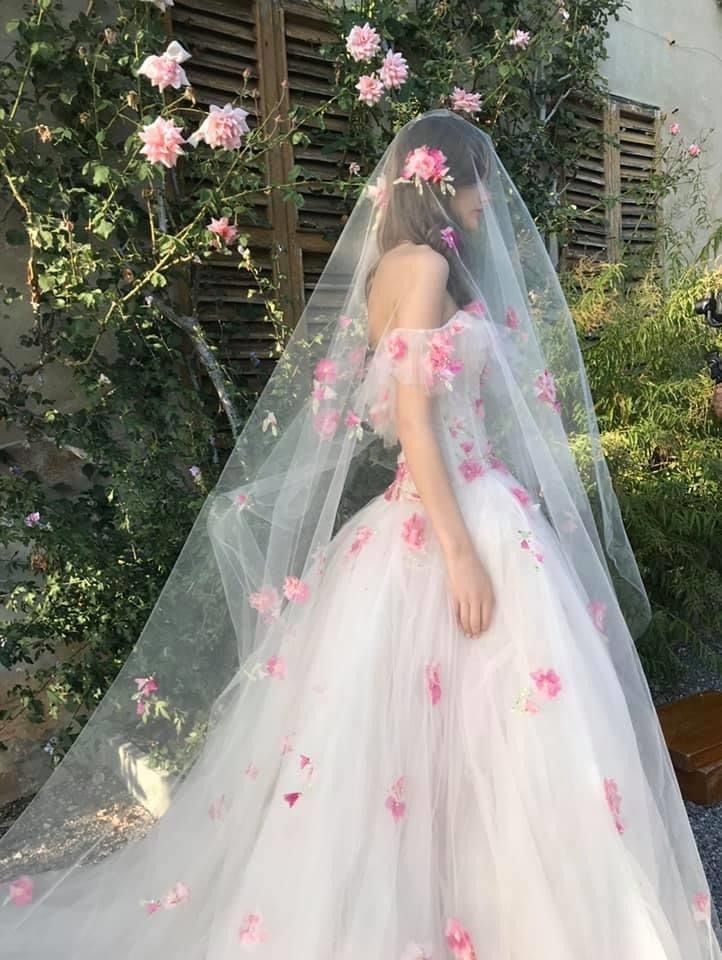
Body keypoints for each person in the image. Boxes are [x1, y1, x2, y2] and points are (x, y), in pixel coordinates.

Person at [0, 109, 720, 959]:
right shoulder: (419, 266)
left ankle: (459, 910)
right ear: (441, 184)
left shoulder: (399, 269)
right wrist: (460, 552)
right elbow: (413, 415)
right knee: (485, 735)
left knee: (445, 743)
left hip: (441, 511)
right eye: (476, 178)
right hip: (453, 519)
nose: (490, 196)